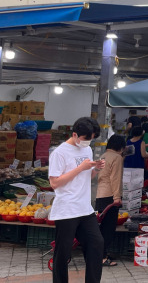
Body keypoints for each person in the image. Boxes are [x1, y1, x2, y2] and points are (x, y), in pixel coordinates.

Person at [49, 117, 104, 283]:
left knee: (97, 244)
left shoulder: (87, 150)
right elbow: (54, 183)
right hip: (66, 209)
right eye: (87, 138)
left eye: (92, 138)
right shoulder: (59, 153)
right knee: (63, 253)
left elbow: (85, 176)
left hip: (85, 208)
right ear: (74, 134)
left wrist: (95, 168)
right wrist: (81, 168)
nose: (89, 142)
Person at [96, 134, 126, 268]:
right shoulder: (117, 158)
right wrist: (117, 197)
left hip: (100, 195)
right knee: (108, 229)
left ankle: (101, 254)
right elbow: (115, 179)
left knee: (101, 228)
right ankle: (102, 257)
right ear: (121, 147)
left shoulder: (103, 156)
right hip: (110, 196)